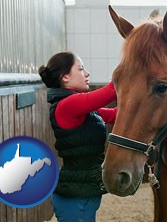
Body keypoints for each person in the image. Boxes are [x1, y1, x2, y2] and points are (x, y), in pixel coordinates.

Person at [38, 52, 117, 222]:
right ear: (65, 77)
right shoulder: (68, 105)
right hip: (74, 197)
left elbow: (113, 115)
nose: (87, 73)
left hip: (82, 191)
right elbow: (110, 93)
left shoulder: (79, 106)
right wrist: (129, 69)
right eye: (81, 69)